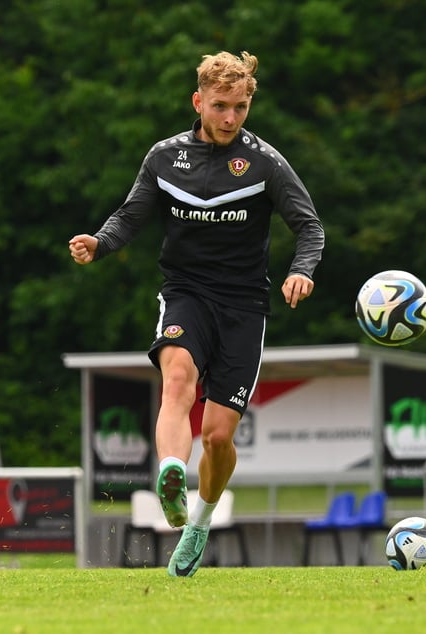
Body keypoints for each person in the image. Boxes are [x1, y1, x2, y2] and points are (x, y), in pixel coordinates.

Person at [69, 51, 324, 577]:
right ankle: (169, 473)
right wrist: (100, 242)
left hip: (244, 305)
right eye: (220, 106)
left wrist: (303, 270)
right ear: (198, 102)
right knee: (177, 378)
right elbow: (131, 214)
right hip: (185, 292)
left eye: (240, 107)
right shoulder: (165, 157)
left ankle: (198, 524)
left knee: (218, 437)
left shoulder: (265, 163)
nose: (231, 118)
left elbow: (309, 226)